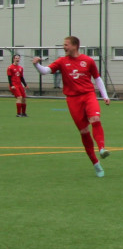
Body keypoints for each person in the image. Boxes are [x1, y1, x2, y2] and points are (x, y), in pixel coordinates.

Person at [32, 37, 111, 177]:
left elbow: (97, 78)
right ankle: (95, 163)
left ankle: (102, 148)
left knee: (95, 119)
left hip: (88, 95)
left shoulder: (88, 61)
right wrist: (37, 65)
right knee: (84, 131)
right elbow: (45, 71)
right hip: (73, 100)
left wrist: (105, 96)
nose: (64, 47)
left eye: (66, 45)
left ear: (75, 46)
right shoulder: (62, 61)